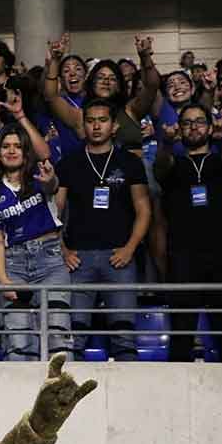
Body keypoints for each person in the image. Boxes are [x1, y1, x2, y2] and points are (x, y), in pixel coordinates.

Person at [54, 99, 151, 361]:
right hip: (78, 258)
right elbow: (55, 212)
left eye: (102, 120)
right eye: (91, 120)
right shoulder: (69, 163)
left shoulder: (129, 162)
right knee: (72, 339)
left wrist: (131, 248)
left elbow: (143, 209)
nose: (96, 126)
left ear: (114, 126)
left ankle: (129, 399)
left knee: (124, 339)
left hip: (119, 258)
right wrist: (63, 250)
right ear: (84, 125)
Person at [154, 103, 222, 362]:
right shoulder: (173, 164)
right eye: (187, 123)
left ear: (210, 126)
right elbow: (160, 169)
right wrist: (166, 144)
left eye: (200, 121)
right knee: (181, 333)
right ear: (180, 129)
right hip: (183, 256)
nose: (193, 127)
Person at [0, 125, 71, 360]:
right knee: (19, 344)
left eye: (17, 146)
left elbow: (51, 186)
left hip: (50, 261)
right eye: (6, 146)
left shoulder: (40, 176)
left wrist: (51, 181)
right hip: (14, 265)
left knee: (59, 339)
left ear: (26, 151)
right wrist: (2, 280)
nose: (12, 151)